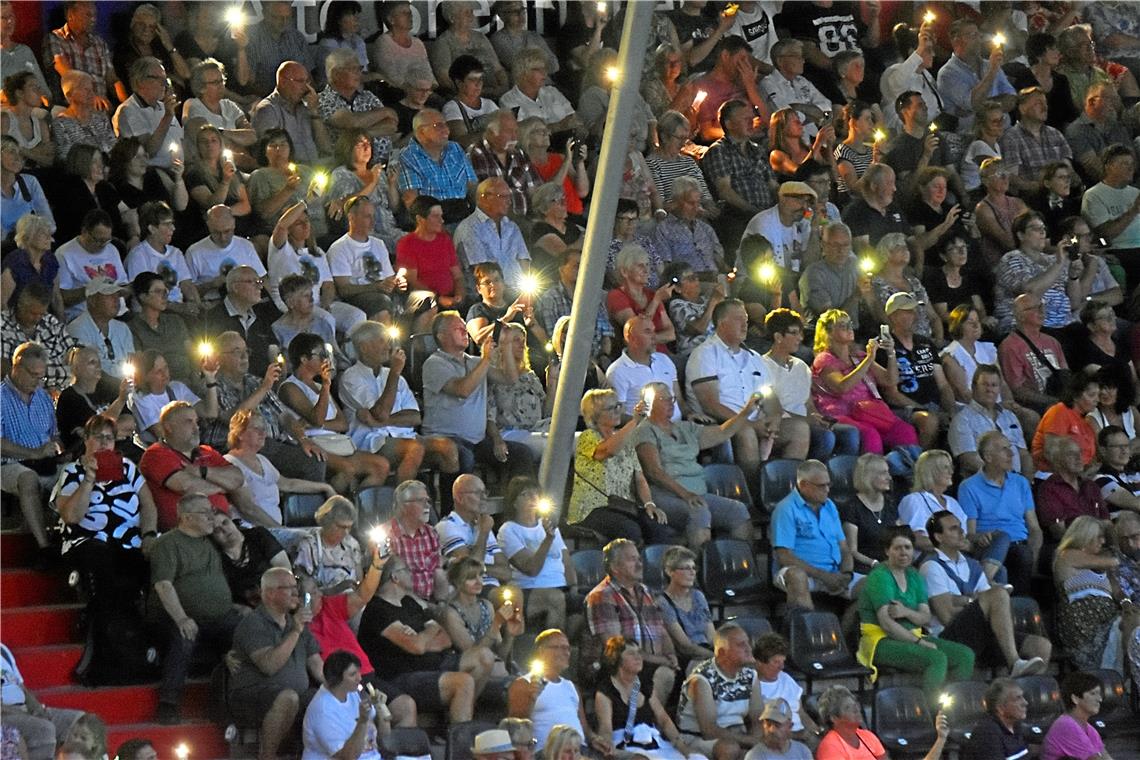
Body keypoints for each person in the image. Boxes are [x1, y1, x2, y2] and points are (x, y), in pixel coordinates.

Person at [51, 413, 157, 652]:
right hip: (88, 540)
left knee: (160, 557)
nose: (103, 443)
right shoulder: (72, 472)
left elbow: (148, 505)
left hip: (130, 540)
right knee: (101, 557)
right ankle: (108, 637)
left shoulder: (128, 468)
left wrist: (149, 535)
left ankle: (148, 636)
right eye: (97, 438)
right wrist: (89, 479)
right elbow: (71, 517)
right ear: (86, 440)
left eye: (108, 439)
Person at [148, 493, 243, 724]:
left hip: (221, 616)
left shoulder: (211, 540)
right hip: (178, 616)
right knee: (184, 637)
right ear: (187, 518)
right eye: (206, 512)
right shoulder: (168, 544)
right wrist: (181, 618)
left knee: (249, 632)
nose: (212, 516)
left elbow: (238, 541)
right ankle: (168, 704)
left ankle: (236, 703)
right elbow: (163, 584)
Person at [688, 299, 810, 476]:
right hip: (724, 424)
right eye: (739, 319)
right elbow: (710, 405)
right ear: (722, 323)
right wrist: (751, 424)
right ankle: (755, 492)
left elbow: (770, 396)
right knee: (746, 431)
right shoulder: (705, 354)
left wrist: (774, 418)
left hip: (757, 421)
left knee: (799, 428)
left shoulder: (754, 358)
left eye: (746, 319)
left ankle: (784, 485)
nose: (745, 324)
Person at [921, 510, 1050, 676]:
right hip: (949, 638)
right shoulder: (932, 566)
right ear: (938, 537)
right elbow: (946, 616)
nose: (962, 532)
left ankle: (1016, 697)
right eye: (953, 529)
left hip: (980, 634)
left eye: (961, 527)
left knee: (1041, 646)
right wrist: (976, 602)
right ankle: (1014, 661)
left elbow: (989, 606)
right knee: (998, 593)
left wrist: (964, 601)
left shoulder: (972, 564)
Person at [635, 380, 757, 548]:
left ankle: (744, 566)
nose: (670, 403)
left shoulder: (685, 428)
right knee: (699, 512)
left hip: (696, 493)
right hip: (666, 495)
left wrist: (745, 412)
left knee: (738, 511)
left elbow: (722, 432)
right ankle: (699, 568)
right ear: (649, 404)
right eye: (663, 399)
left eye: (671, 398)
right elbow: (654, 472)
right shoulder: (645, 431)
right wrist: (686, 494)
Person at [422, 311, 536, 488]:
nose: (464, 331)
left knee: (522, 453)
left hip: (477, 441)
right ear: (442, 336)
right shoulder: (434, 363)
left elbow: (510, 378)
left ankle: (518, 506)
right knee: (464, 456)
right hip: (447, 439)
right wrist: (486, 359)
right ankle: (453, 509)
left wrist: (505, 345)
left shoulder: (475, 362)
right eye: (458, 328)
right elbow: (463, 390)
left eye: (464, 328)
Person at [357, 555, 477, 724]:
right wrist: (427, 634)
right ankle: (459, 738)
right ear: (394, 577)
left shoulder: (408, 603)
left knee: (482, 657)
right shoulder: (377, 609)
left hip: (431, 663)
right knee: (464, 682)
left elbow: (445, 639)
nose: (411, 572)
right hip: (401, 676)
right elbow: (417, 647)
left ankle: (451, 715)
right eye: (405, 569)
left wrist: (425, 636)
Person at [855, 525, 975, 693]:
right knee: (937, 658)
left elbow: (925, 617)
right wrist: (920, 642)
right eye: (897, 548)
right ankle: (932, 712)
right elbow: (887, 624)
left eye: (908, 547)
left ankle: (953, 705)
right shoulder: (880, 576)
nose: (903, 552)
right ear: (887, 551)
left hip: (913, 636)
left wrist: (906, 612)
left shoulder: (914, 575)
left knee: (965, 655)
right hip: (881, 641)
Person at [229, 566, 324, 760]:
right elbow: (269, 665)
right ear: (270, 593)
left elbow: (316, 663)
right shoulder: (253, 623)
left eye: (295, 586)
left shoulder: (294, 622)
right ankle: (268, 756)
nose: (296, 592)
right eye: (288, 587)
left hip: (292, 694)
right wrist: (295, 631)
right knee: (288, 697)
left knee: (325, 698)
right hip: (252, 695)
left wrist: (343, 690)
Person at [569, 389, 673, 544]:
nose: (618, 411)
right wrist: (634, 422)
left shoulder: (626, 441)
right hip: (592, 509)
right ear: (596, 415)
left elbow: (639, 478)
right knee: (629, 529)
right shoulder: (588, 437)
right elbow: (609, 450)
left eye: (618, 405)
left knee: (657, 525)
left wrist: (649, 504)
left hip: (623, 507)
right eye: (612, 408)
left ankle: (656, 566)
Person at [810, 308, 918, 455]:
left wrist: (891, 353)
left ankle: (907, 472)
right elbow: (842, 387)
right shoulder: (824, 359)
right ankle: (872, 474)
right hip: (842, 414)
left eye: (850, 324)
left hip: (869, 412)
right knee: (869, 434)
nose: (849, 328)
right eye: (843, 325)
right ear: (828, 333)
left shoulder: (858, 356)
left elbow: (890, 380)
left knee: (905, 430)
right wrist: (868, 360)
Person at [585, 539, 679, 706]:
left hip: (653, 663)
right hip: (621, 667)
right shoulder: (601, 596)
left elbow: (662, 631)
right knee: (665, 674)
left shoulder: (646, 591)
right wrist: (663, 661)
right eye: (631, 559)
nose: (639, 564)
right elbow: (617, 648)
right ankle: (650, 724)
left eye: (639, 559)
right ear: (615, 567)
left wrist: (671, 655)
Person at [1, 343, 65, 565]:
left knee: (75, 473)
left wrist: (59, 449)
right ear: (17, 367)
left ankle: (71, 540)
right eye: (33, 375)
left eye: (41, 376)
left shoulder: (43, 398)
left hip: (45, 461)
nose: (37, 381)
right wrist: (34, 453)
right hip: (9, 464)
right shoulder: (0, 397)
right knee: (28, 479)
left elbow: (54, 434)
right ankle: (44, 547)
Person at [772, 459, 864, 612]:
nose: (827, 490)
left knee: (875, 587)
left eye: (829, 484)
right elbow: (784, 556)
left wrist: (847, 574)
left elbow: (843, 548)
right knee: (796, 576)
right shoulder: (786, 509)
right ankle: (808, 631)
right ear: (803, 485)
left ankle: (844, 630)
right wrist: (823, 576)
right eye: (821, 486)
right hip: (804, 573)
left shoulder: (830, 506)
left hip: (834, 572)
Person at [594, 635, 694, 760]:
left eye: (639, 653)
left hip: (653, 744)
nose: (638, 657)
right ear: (616, 659)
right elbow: (605, 727)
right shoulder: (606, 690)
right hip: (625, 746)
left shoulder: (644, 685)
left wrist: (683, 748)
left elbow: (663, 720)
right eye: (631, 653)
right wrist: (608, 748)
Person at [496, 477, 576, 631]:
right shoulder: (508, 530)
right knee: (555, 599)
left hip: (561, 586)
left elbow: (566, 562)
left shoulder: (549, 526)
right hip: (529, 589)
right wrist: (548, 540)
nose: (533, 498)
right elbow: (532, 568)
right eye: (526, 494)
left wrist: (574, 586)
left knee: (589, 602)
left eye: (536, 494)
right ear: (514, 502)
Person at [675, 622, 763, 760]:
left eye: (748, 643)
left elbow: (758, 719)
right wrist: (751, 741)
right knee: (730, 749)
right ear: (722, 652)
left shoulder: (751, 675)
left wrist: (758, 742)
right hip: (697, 739)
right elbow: (709, 731)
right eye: (741, 645)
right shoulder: (702, 679)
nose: (748, 648)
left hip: (738, 736)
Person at [507, 629, 601, 754]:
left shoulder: (571, 687)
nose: (566, 653)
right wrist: (531, 699)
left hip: (579, 751)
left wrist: (595, 738)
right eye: (560, 647)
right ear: (541, 651)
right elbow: (516, 726)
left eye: (567, 648)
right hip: (549, 752)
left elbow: (584, 727)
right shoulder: (524, 684)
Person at [701, 99, 777, 249]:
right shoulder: (719, 151)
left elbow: (773, 185)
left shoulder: (758, 150)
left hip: (767, 214)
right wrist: (754, 211)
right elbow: (725, 191)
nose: (751, 122)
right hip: (738, 216)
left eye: (752, 118)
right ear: (729, 124)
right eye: (745, 119)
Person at [1053, 516, 1125, 672]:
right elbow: (1114, 561)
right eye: (1099, 537)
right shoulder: (1066, 555)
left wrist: (1128, 604)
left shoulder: (1100, 566)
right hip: (1085, 627)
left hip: (1109, 618)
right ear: (1086, 536)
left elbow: (1118, 592)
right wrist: (1113, 549)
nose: (1103, 541)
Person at [440, 556, 522, 690]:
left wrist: (510, 634)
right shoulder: (451, 613)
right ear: (457, 581)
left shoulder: (486, 606)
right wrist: (496, 624)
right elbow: (474, 655)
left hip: (495, 668)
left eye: (480, 576)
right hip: (467, 674)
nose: (478, 582)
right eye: (471, 577)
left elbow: (500, 654)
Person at [301, 649, 390, 760]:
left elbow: (386, 740)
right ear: (337, 679)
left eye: (359, 672)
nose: (360, 678)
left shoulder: (355, 692)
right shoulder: (323, 710)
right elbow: (348, 757)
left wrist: (382, 708)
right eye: (353, 674)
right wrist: (362, 721)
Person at [935, 19, 1016, 139]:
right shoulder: (947, 74)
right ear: (955, 41)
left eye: (979, 35)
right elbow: (972, 103)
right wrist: (992, 71)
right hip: (972, 138)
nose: (979, 40)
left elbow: (1012, 98)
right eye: (972, 35)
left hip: (1005, 132)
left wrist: (982, 106)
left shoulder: (989, 64)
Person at [948, 364, 1033, 478]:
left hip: (1016, 483)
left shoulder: (1010, 416)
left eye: (994, 385)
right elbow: (969, 460)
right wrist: (1004, 477)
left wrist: (1025, 483)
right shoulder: (962, 420)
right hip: (985, 485)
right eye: (984, 384)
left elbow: (1023, 454)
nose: (989, 389)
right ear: (974, 387)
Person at [326, 195, 402, 322]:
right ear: (351, 217)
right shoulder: (339, 248)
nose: (372, 222)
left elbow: (389, 277)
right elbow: (344, 289)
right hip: (359, 296)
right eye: (367, 217)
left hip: (382, 293)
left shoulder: (378, 244)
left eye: (373, 216)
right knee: (381, 303)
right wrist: (376, 287)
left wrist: (397, 283)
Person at [317, 48, 396, 169]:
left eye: (359, 69)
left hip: (383, 165)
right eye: (353, 69)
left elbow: (392, 125)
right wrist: (385, 112)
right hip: (348, 169)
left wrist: (355, 137)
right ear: (336, 74)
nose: (359, 74)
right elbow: (351, 123)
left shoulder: (367, 96)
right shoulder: (324, 99)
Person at [454, 178, 532, 294]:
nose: (509, 202)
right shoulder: (469, 228)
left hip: (520, 292)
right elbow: (481, 271)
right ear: (484, 198)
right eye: (503, 197)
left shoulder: (511, 227)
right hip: (492, 295)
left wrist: (528, 294)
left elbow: (524, 261)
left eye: (509, 197)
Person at [534, 250, 614, 362]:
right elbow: (554, 338)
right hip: (567, 363)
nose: (582, 270)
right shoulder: (550, 299)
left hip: (597, 362)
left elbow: (606, 334)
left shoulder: (592, 296)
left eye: (584, 266)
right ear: (561, 269)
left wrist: (603, 357)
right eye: (577, 266)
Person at [124, 201, 200, 318]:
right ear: (152, 228)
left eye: (172, 223)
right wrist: (179, 308)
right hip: (151, 315)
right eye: (167, 224)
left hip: (179, 313)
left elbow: (187, 285)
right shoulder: (138, 255)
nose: (173, 228)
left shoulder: (176, 253)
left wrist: (196, 306)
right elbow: (143, 295)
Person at [43, 1, 127, 107]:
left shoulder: (99, 43)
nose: (93, 19)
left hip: (101, 107)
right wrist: (91, 97)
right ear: (70, 15)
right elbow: (68, 74)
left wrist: (127, 104)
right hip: (72, 107)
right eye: (88, 15)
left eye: (94, 15)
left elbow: (112, 80)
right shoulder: (56, 39)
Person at [55, 345, 132, 457]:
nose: (98, 366)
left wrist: (106, 434)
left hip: (122, 449)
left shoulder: (108, 388)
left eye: (99, 362)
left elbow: (130, 422)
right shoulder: (69, 398)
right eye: (92, 362)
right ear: (76, 369)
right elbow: (97, 429)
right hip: (88, 456)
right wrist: (121, 400)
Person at [112, 57, 185, 174]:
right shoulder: (128, 111)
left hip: (179, 171)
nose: (164, 84)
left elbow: (182, 140)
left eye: (165, 79)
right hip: (154, 175)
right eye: (158, 78)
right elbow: (148, 151)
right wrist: (167, 117)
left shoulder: (163, 107)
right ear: (140, 81)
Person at [1, 283, 77, 393]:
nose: (37, 318)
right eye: (32, 313)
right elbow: (5, 371)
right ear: (20, 305)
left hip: (64, 391)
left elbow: (73, 354)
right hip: (23, 393)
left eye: (41, 314)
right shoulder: (3, 325)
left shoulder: (50, 322)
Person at [1082, 145, 1140, 286]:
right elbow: (1105, 234)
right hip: (1118, 250)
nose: (1131, 168)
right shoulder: (1093, 195)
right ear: (1109, 166)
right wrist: (1133, 211)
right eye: (1124, 164)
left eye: (1132, 164)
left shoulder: (1135, 192)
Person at [210, 509, 290, 609]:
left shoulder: (258, 535)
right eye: (217, 530)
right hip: (243, 610)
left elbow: (283, 565)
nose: (225, 530)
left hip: (276, 594)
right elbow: (220, 593)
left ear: (231, 519)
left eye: (225, 522)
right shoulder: (214, 556)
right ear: (212, 537)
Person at [396, 195, 465, 309]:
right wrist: (438, 298)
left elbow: (457, 275)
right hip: (427, 300)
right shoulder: (407, 244)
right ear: (420, 219)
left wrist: (460, 295)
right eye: (435, 216)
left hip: (451, 297)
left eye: (441, 216)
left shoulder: (445, 239)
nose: (441, 221)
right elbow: (413, 281)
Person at [752, 633, 821, 746]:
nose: (781, 667)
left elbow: (801, 713)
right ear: (759, 663)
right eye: (776, 662)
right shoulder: (753, 686)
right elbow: (763, 727)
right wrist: (796, 735)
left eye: (783, 661)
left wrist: (818, 732)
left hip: (804, 736)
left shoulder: (786, 679)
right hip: (781, 740)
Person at [186, 206, 263, 305]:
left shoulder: (245, 245)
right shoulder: (194, 252)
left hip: (246, 302)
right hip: (214, 304)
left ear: (234, 225)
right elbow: (187, 292)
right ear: (208, 226)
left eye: (227, 231)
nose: (223, 238)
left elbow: (262, 277)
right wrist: (211, 284)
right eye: (216, 233)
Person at [517, 117, 589, 222]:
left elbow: (582, 191)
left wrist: (580, 163)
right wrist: (566, 162)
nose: (546, 133)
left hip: (576, 214)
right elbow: (546, 195)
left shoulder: (560, 158)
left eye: (546, 130)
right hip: (552, 220)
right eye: (539, 131)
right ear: (526, 137)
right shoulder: (525, 166)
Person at [387, 480, 449, 602]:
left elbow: (438, 572)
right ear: (403, 506)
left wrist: (442, 604)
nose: (427, 506)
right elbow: (390, 582)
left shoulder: (431, 532)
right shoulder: (387, 536)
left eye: (428, 501)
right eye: (421, 501)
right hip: (403, 602)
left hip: (432, 600)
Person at [838, 454, 899, 573]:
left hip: (890, 566)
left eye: (888, 472)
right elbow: (852, 550)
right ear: (868, 476)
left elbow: (898, 537)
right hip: (864, 568)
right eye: (883, 473)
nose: (889, 477)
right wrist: (874, 563)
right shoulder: (852, 507)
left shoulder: (890, 503)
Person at [1031, 372, 1101, 476]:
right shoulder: (1059, 411)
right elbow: (1051, 451)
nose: (1097, 400)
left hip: (1084, 474)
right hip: (1055, 475)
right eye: (1092, 395)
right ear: (1075, 396)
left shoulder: (1086, 422)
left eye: (1098, 395)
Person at [49, 70, 117, 176]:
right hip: (83, 176)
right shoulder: (60, 124)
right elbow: (66, 157)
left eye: (92, 89)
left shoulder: (101, 118)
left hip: (110, 171)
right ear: (70, 95)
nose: (91, 94)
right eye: (85, 89)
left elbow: (113, 147)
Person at [1040, 672, 1114, 760]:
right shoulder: (1066, 725)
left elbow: (1105, 756)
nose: (1100, 699)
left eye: (1099, 694)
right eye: (1093, 694)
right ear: (1075, 699)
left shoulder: (1088, 729)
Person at [1, 213, 61, 317]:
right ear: (28, 237)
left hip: (45, 318)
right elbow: (2, 302)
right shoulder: (14, 262)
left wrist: (62, 321)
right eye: (43, 234)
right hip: (18, 320)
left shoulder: (50, 260)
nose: (50, 238)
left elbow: (56, 296)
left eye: (49, 234)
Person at [371, 2, 435, 95]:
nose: (410, 16)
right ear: (391, 19)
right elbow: (392, 78)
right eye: (405, 13)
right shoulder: (383, 43)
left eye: (410, 13)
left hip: (427, 92)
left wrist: (431, 89)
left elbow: (429, 73)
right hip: (401, 95)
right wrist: (418, 91)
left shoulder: (418, 43)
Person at [961, 678, 1031, 760]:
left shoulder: (1016, 725)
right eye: (1017, 699)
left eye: (1023, 697)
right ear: (1000, 708)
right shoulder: (987, 733)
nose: (1025, 703)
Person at [1, 72, 53, 169]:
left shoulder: (41, 123)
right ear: (19, 93)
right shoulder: (5, 120)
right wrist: (37, 152)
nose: (40, 92)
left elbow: (49, 160)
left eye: (39, 88)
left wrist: (23, 151)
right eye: (34, 88)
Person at [743, 699, 812, 760]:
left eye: (777, 725)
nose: (771, 730)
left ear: (790, 726)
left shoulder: (802, 751)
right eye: (768, 724)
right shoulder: (755, 756)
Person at [1095, 426, 1140, 516]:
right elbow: (1136, 504)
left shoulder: (1135, 473)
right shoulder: (1100, 479)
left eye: (1126, 446)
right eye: (1118, 446)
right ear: (1103, 450)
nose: (1124, 451)